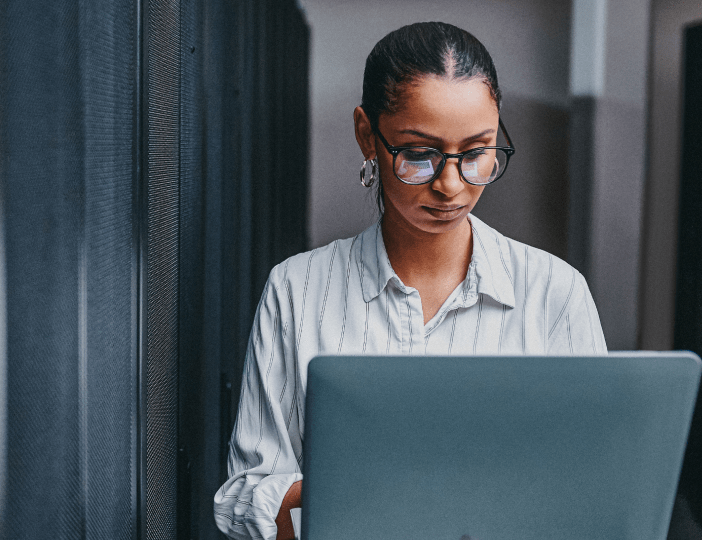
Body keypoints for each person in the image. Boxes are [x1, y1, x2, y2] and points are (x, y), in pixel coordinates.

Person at [213, 21, 607, 540]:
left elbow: (596, 488)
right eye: (419, 155)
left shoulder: (556, 294)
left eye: (476, 153)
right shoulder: (297, 290)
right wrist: (386, 497)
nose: (451, 185)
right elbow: (244, 498)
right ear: (367, 136)